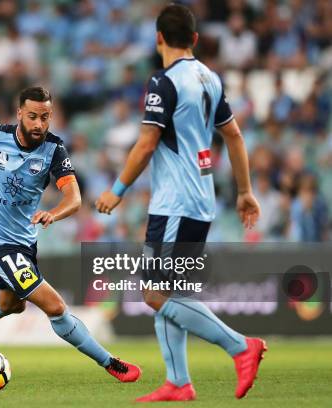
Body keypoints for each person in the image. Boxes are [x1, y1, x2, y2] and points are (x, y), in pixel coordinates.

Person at [0, 86, 140, 382]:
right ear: (19, 114)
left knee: (11, 304)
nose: (39, 124)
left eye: (45, 117)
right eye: (32, 116)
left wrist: (53, 213)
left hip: (24, 244)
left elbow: (74, 198)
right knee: (55, 306)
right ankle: (111, 363)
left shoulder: (54, 150)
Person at [95, 4, 266, 402]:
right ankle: (178, 382)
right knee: (168, 292)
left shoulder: (164, 81)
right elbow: (235, 137)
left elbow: (146, 144)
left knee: (154, 294)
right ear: (195, 39)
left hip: (176, 202)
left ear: (158, 39)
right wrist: (244, 190)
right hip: (200, 199)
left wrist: (115, 191)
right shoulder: (210, 78)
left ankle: (241, 346)